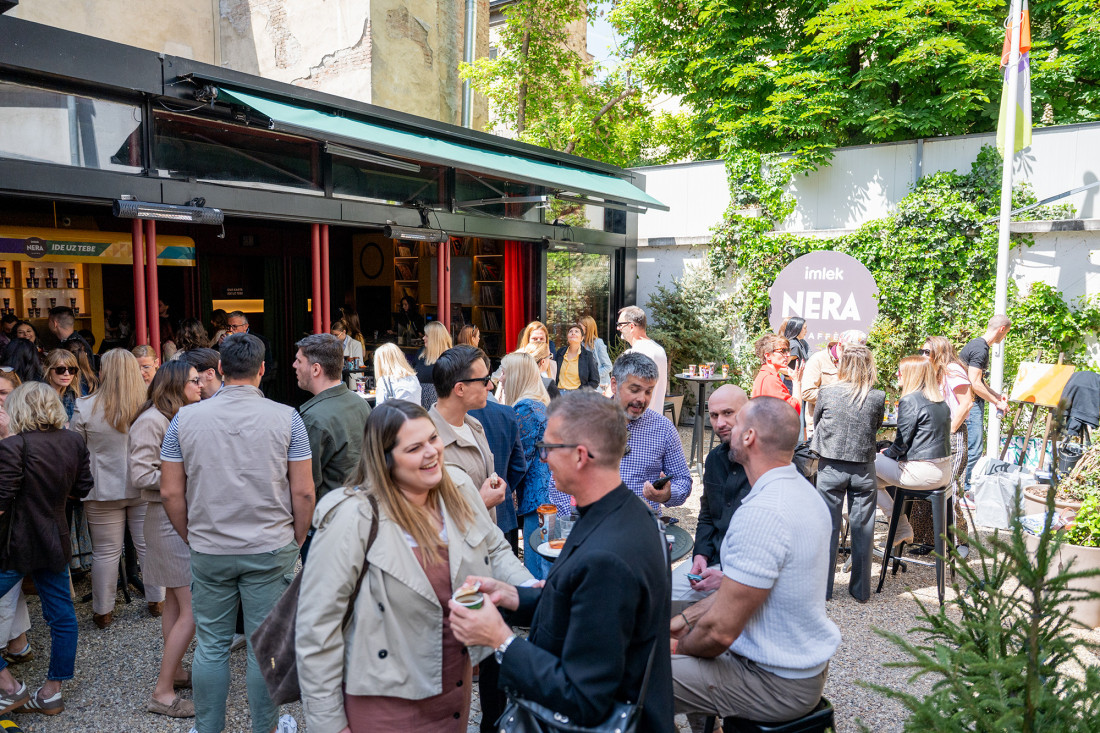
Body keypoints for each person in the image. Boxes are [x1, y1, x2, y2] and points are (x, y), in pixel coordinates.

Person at [295, 400, 533, 732]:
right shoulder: (352, 516)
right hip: (384, 702)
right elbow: (316, 628)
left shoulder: (458, 486)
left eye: (433, 438)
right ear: (385, 459)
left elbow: (493, 546)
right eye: (414, 447)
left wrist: (531, 590)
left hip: (454, 693)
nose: (432, 452)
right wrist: (330, 724)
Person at [449, 389, 675, 731]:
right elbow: (582, 604)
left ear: (580, 456)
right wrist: (515, 597)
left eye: (548, 448)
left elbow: (583, 698)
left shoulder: (608, 557)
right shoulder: (621, 512)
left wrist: (500, 639)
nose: (543, 459)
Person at [160, 333, 313, 733]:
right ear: (262, 369)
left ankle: (208, 727)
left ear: (220, 369)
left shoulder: (183, 419)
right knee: (266, 646)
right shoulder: (288, 417)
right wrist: (296, 539)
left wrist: (191, 535)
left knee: (211, 645)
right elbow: (303, 491)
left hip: (210, 545)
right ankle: (266, 727)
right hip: (270, 544)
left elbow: (170, 492)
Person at [671, 397, 840, 724]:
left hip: (774, 683)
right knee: (672, 621)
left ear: (748, 436)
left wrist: (676, 648)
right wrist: (682, 622)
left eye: (736, 422)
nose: (726, 428)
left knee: (639, 669)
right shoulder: (802, 491)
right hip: (796, 670)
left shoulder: (763, 512)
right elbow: (741, 593)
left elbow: (719, 634)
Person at [0, 382, 93, 716]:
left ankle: (9, 687)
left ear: (18, 408)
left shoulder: (13, 446)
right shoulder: (72, 441)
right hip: (54, 538)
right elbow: (83, 488)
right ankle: (52, 691)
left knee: (62, 615)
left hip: (15, 544)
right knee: (62, 616)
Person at [129, 361, 202, 718]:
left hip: (173, 516)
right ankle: (162, 692)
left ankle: (175, 672)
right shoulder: (152, 420)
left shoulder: (174, 417)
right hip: (165, 519)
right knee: (194, 608)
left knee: (175, 604)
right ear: (175, 385)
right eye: (194, 380)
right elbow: (140, 473)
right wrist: (187, 473)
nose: (200, 385)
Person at [71, 348, 163, 628]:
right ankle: (157, 600)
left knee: (105, 552)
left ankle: (103, 611)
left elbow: (75, 449)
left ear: (104, 372)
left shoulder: (85, 406)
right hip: (144, 484)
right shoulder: (150, 405)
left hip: (102, 489)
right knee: (148, 545)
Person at [552, 351, 691, 517]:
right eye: (634, 390)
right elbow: (557, 480)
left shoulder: (663, 429)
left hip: (641, 525)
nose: (642, 399)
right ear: (614, 385)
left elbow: (683, 481)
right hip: (590, 524)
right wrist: (574, 521)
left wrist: (667, 494)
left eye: (648, 391)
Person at [811, 345, 885, 602]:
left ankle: (823, 589)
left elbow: (818, 422)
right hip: (863, 468)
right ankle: (860, 591)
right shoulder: (877, 396)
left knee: (827, 528)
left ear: (842, 365)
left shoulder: (827, 392)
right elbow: (876, 426)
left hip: (831, 465)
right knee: (863, 529)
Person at [292, 333, 372, 559]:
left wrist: (298, 536)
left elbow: (306, 487)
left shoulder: (314, 419)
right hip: (360, 515)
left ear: (316, 369)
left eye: (299, 360)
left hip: (327, 527)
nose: (294, 365)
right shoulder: (360, 403)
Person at [673, 385, 750, 604]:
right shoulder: (715, 459)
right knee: (660, 595)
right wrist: (700, 554)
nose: (720, 423)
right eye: (714, 415)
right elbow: (707, 514)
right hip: (715, 557)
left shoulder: (765, 461)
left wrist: (730, 579)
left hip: (752, 571)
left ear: (748, 412)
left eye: (728, 413)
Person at [875, 356, 952, 546]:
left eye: (900, 371)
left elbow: (901, 444)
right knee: (869, 480)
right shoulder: (940, 401)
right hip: (943, 472)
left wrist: (887, 453)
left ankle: (899, 525)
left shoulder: (910, 400)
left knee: (864, 464)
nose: (897, 374)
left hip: (922, 472)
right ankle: (899, 526)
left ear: (911, 374)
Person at [429, 346, 506, 520]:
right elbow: (425, 517)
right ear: (460, 389)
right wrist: (482, 503)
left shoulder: (474, 426)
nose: (490, 386)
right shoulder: (424, 441)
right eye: (484, 380)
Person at [497, 352, 552, 579]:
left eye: (504, 372)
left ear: (516, 375)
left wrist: (503, 490)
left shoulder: (525, 408)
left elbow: (521, 460)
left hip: (536, 499)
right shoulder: (538, 404)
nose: (500, 378)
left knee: (537, 568)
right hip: (544, 497)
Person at [922, 335, 973, 551]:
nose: (923, 355)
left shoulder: (952, 370)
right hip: (935, 434)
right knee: (930, 486)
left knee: (950, 490)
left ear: (939, 352)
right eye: (921, 351)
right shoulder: (933, 373)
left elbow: (967, 402)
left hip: (953, 434)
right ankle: (930, 540)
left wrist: (950, 429)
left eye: (927, 352)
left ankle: (960, 541)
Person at [0, 371, 32, 669]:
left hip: (14, 520)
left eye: (2, 393)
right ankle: (19, 643)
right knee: (11, 587)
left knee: (8, 585)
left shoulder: (23, 428)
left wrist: (6, 434)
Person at [959, 315, 1011, 492]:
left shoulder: (977, 345)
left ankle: (961, 487)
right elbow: (974, 383)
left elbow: (978, 380)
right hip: (971, 403)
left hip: (971, 401)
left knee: (971, 447)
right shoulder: (980, 349)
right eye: (1006, 333)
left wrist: (997, 395)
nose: (1004, 337)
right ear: (1001, 329)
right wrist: (997, 402)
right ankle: (963, 489)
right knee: (974, 448)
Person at [801, 330, 866, 438]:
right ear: (840, 345)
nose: (855, 356)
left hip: (850, 426)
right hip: (821, 426)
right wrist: (838, 398)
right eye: (851, 351)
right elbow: (807, 392)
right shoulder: (818, 359)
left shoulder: (860, 361)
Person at [617, 305, 668, 414]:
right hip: (655, 418)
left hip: (637, 419)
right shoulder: (659, 349)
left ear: (631, 326)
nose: (618, 328)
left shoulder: (635, 353)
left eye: (620, 324)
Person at [223, 311, 275, 389]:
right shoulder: (225, 339)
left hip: (252, 384)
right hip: (229, 384)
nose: (230, 329)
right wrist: (220, 344)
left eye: (234, 326)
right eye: (228, 326)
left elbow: (267, 365)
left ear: (245, 326)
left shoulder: (260, 341)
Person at [750, 333, 801, 414]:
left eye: (788, 350)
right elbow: (792, 411)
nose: (788, 355)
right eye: (782, 351)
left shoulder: (765, 375)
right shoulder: (770, 379)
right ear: (768, 356)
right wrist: (796, 381)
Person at [415, 321, 452, 408]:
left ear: (434, 338)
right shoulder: (421, 353)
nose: (423, 338)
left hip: (439, 406)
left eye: (426, 335)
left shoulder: (449, 357)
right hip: (418, 403)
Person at [553, 323, 600, 391]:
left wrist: (580, 392)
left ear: (582, 338)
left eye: (576, 331)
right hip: (559, 393)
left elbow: (595, 381)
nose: (573, 333)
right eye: (570, 331)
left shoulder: (588, 356)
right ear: (567, 337)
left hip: (577, 394)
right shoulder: (560, 353)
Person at [42, 350, 80, 421]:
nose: (67, 374)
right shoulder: (39, 396)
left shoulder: (73, 393)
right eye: (60, 369)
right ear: (47, 370)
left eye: (71, 370)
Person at [580, 315, 612, 389]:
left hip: (600, 386)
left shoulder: (598, 343)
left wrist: (592, 376)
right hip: (585, 386)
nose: (577, 328)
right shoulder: (580, 343)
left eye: (580, 326)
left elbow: (608, 366)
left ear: (588, 327)